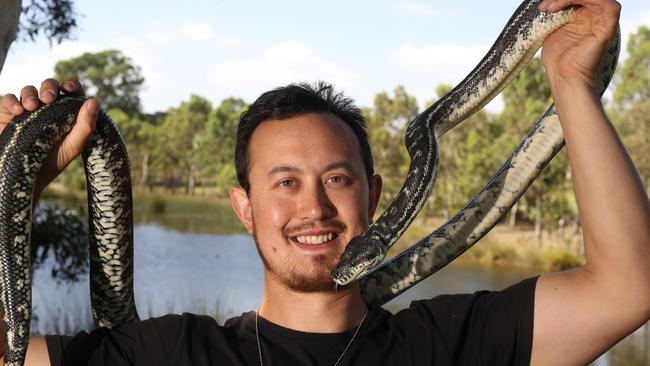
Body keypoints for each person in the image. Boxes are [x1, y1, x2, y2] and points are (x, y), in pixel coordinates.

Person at [0, 0, 648, 364]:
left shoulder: (450, 343)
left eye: (336, 178)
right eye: (283, 182)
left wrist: (571, 85)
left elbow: (629, 286)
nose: (313, 206)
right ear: (244, 208)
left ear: (373, 195)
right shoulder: (175, 353)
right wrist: (13, 183)